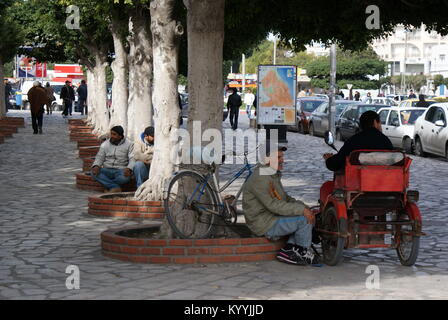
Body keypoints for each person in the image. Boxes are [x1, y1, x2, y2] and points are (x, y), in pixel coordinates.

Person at [242, 143, 319, 265]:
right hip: (263, 223)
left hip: (271, 217)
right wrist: (301, 211)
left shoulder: (271, 174)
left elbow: (284, 198)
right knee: (303, 220)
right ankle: (302, 252)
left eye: (281, 157)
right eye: (278, 157)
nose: (282, 160)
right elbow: (273, 205)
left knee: (305, 213)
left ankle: (288, 250)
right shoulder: (260, 177)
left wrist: (304, 207)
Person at [323, 110, 394, 172]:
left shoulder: (353, 141)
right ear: (375, 122)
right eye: (380, 123)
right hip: (384, 182)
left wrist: (329, 160)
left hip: (357, 184)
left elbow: (337, 163)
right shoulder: (386, 141)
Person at [91, 126, 135, 193]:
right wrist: (96, 166)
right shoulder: (105, 144)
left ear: (120, 136)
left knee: (125, 178)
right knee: (93, 173)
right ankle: (115, 187)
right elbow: (100, 157)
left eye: (114, 134)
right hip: (107, 169)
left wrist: (129, 168)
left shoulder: (129, 144)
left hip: (121, 170)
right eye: (111, 134)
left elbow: (132, 158)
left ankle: (109, 186)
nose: (111, 136)